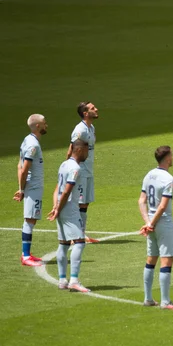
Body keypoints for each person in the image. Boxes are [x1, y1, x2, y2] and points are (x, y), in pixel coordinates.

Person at [138, 146, 173, 310]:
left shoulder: (149, 175)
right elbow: (163, 206)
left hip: (151, 222)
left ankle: (148, 298)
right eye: (172, 155)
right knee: (166, 259)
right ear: (167, 158)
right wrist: (151, 223)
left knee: (151, 259)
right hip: (163, 223)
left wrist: (148, 222)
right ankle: (165, 301)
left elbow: (141, 201)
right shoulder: (168, 179)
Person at [48, 139, 90, 292]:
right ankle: (74, 280)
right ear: (79, 150)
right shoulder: (75, 168)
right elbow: (66, 190)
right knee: (79, 243)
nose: (88, 153)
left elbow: (57, 188)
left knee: (63, 244)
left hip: (61, 206)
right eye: (87, 150)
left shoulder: (64, 164)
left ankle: (62, 280)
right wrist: (59, 208)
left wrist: (55, 206)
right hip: (70, 208)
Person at [14, 114, 48, 266]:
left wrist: (21, 187)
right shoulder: (33, 145)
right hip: (33, 186)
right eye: (44, 123)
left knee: (31, 219)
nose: (46, 125)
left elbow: (19, 166)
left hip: (32, 186)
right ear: (38, 126)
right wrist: (21, 190)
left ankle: (27, 254)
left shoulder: (27, 140)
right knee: (30, 219)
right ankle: (25, 256)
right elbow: (23, 169)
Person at [67, 101, 100, 243]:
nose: (96, 109)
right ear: (85, 113)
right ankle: (75, 235)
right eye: (93, 108)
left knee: (85, 203)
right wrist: (69, 170)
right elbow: (71, 150)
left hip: (88, 170)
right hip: (80, 171)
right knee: (78, 203)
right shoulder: (80, 130)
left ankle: (82, 234)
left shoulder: (91, 127)